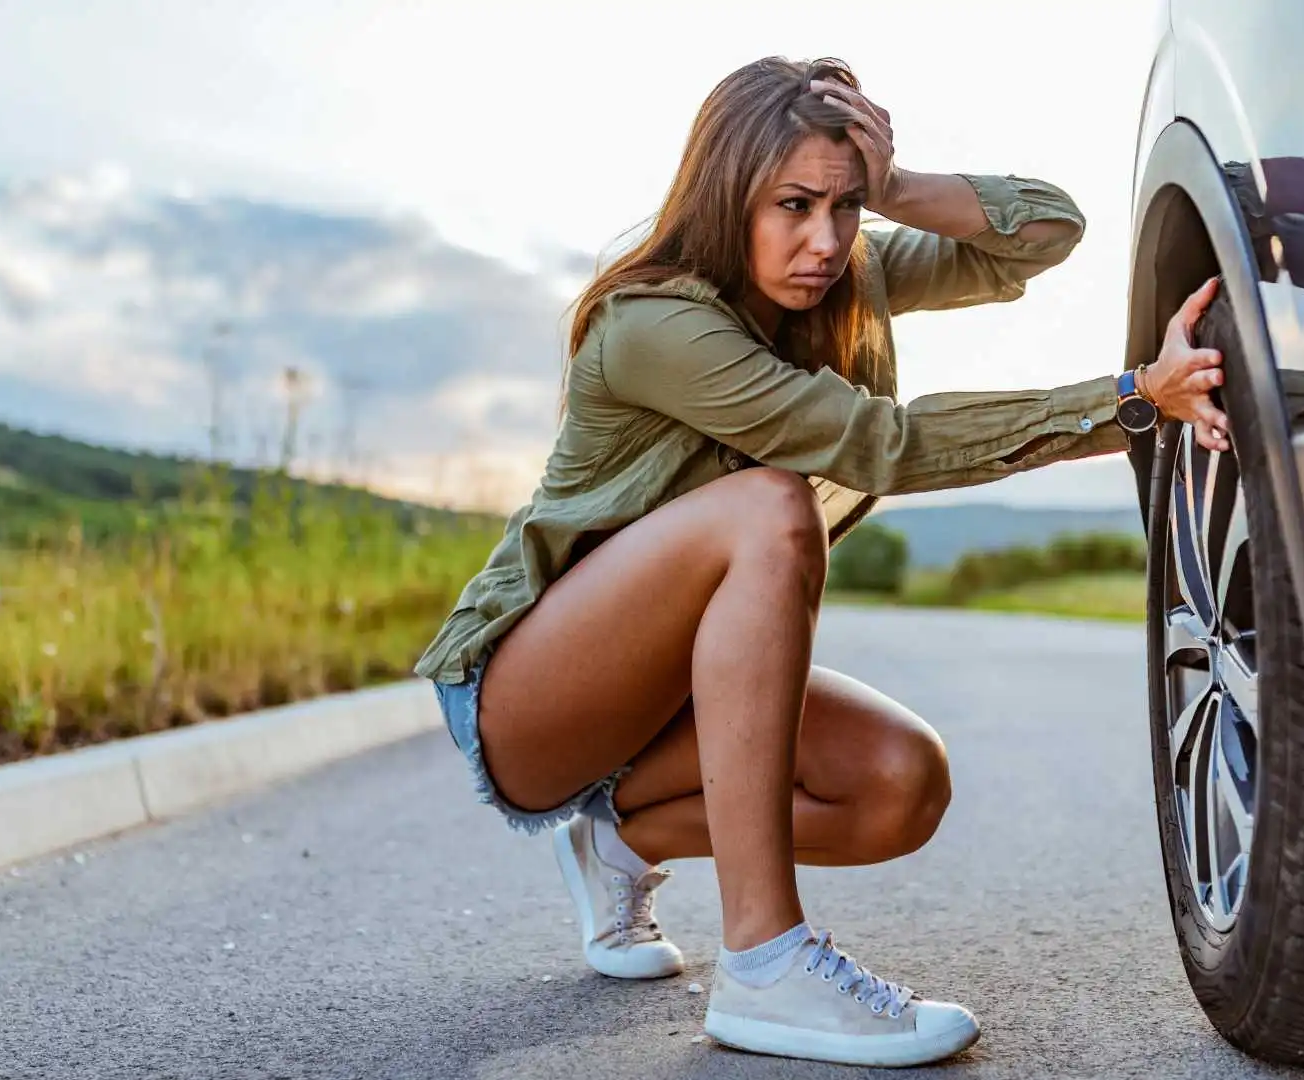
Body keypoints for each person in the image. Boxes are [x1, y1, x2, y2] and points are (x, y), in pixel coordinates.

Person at [413, 56, 1228, 1068]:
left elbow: (1047, 234)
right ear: (727, 193)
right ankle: (764, 966)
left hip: (665, 704)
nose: (825, 240)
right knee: (768, 509)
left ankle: (623, 837)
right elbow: (878, 444)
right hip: (531, 696)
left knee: (899, 781)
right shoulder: (657, 322)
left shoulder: (850, 264)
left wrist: (899, 188)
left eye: (845, 207)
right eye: (793, 204)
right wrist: (1129, 402)